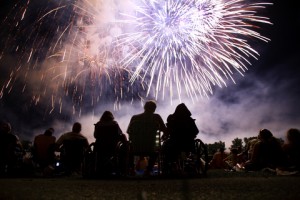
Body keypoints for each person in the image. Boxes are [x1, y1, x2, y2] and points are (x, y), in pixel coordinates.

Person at [127, 100, 168, 176]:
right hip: (151, 148)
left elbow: (129, 131)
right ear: (154, 109)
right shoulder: (156, 117)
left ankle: (132, 170)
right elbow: (165, 130)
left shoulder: (135, 118)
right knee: (156, 151)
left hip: (136, 148)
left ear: (144, 107)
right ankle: (148, 170)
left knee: (129, 149)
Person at [162, 103, 199, 172]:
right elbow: (196, 131)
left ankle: (169, 165)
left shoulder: (171, 118)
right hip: (189, 144)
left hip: (174, 144)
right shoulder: (190, 120)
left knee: (165, 147)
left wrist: (165, 136)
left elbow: (168, 130)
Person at [93, 111, 128, 176]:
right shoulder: (114, 124)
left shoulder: (98, 124)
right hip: (112, 147)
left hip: (100, 148)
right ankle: (124, 167)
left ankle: (98, 169)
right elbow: (119, 133)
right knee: (124, 138)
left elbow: (95, 136)